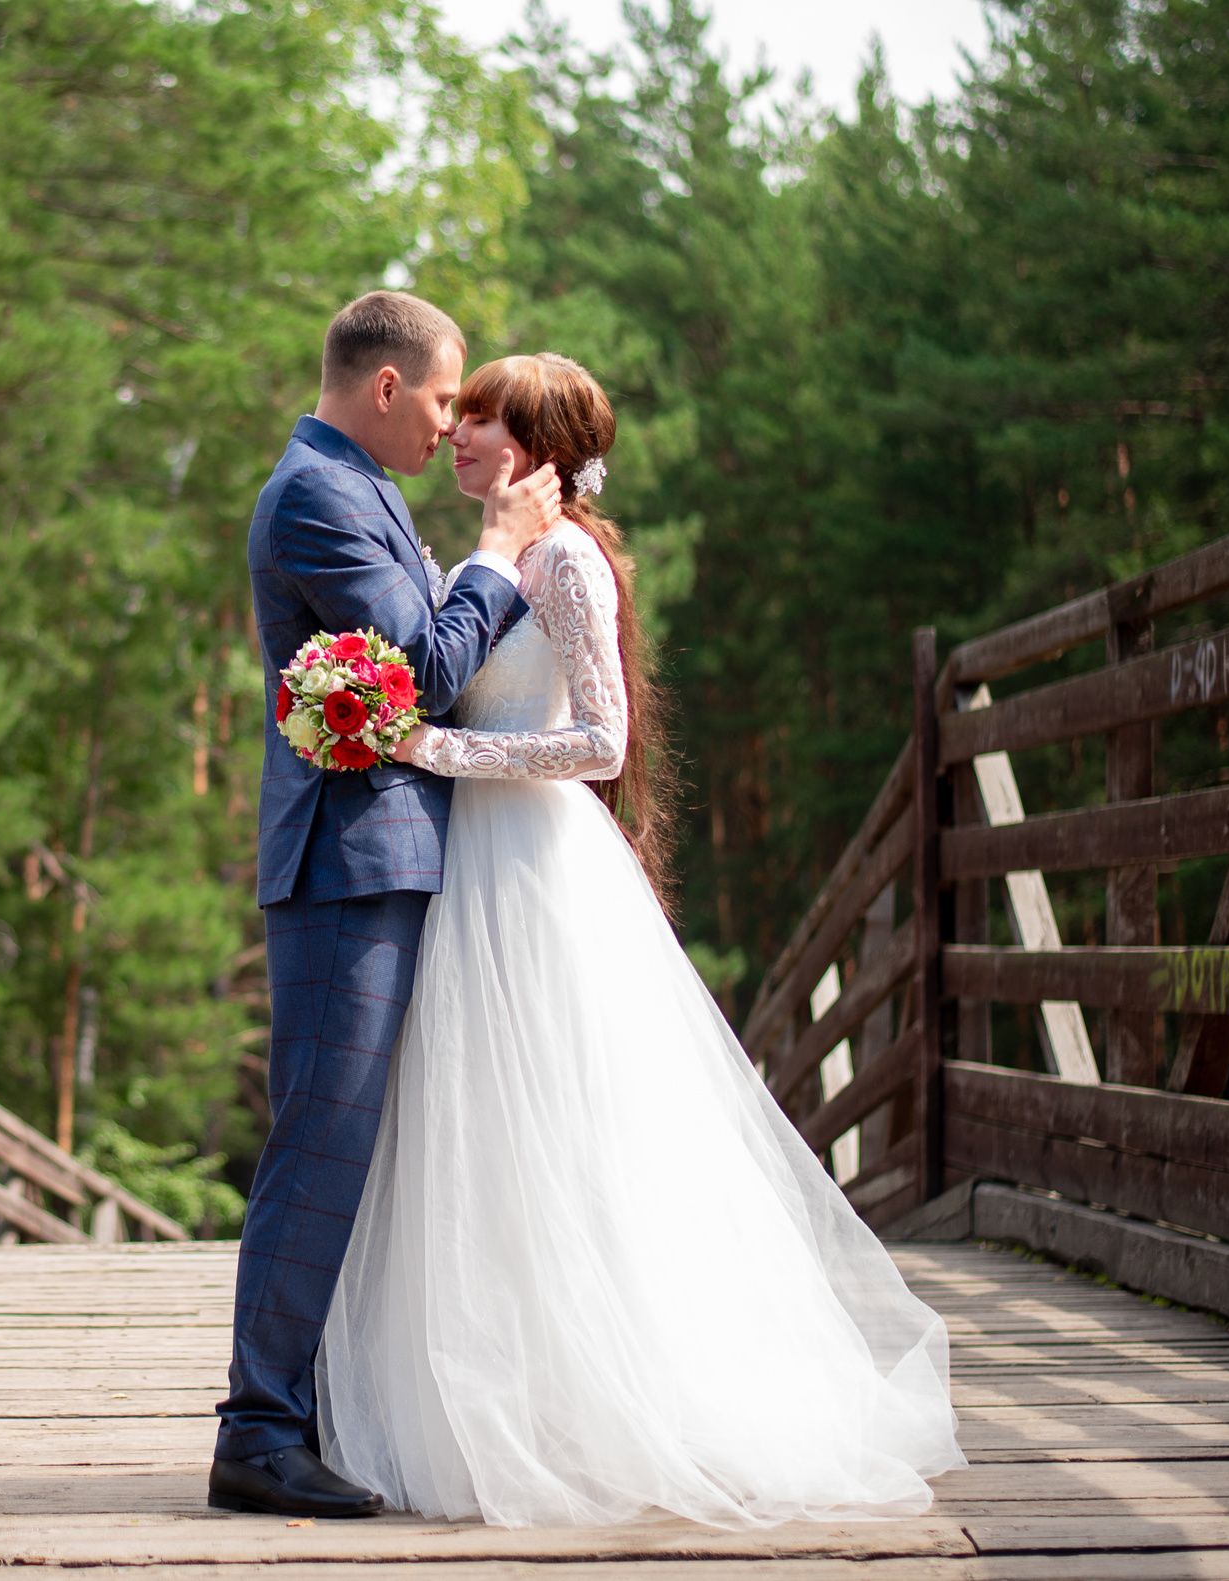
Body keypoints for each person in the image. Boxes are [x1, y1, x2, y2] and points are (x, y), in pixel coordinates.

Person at [314, 352, 963, 1528]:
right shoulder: (492, 555)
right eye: (460, 414)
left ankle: (598, 1402)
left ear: (537, 447)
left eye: (482, 419)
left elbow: (601, 741)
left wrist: (436, 749)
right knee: (479, 1130)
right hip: (472, 863)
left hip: (535, 864)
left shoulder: (564, 557)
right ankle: (494, 1400)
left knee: (563, 1122)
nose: (458, 434)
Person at [211, 292, 563, 1519]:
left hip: (387, 859)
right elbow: (421, 673)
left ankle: (322, 1415)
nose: (450, 423)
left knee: (360, 1147)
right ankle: (258, 1433)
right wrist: (500, 552)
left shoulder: (359, 487)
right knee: (320, 1144)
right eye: (441, 397)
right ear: (382, 386)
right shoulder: (318, 494)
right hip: (344, 864)